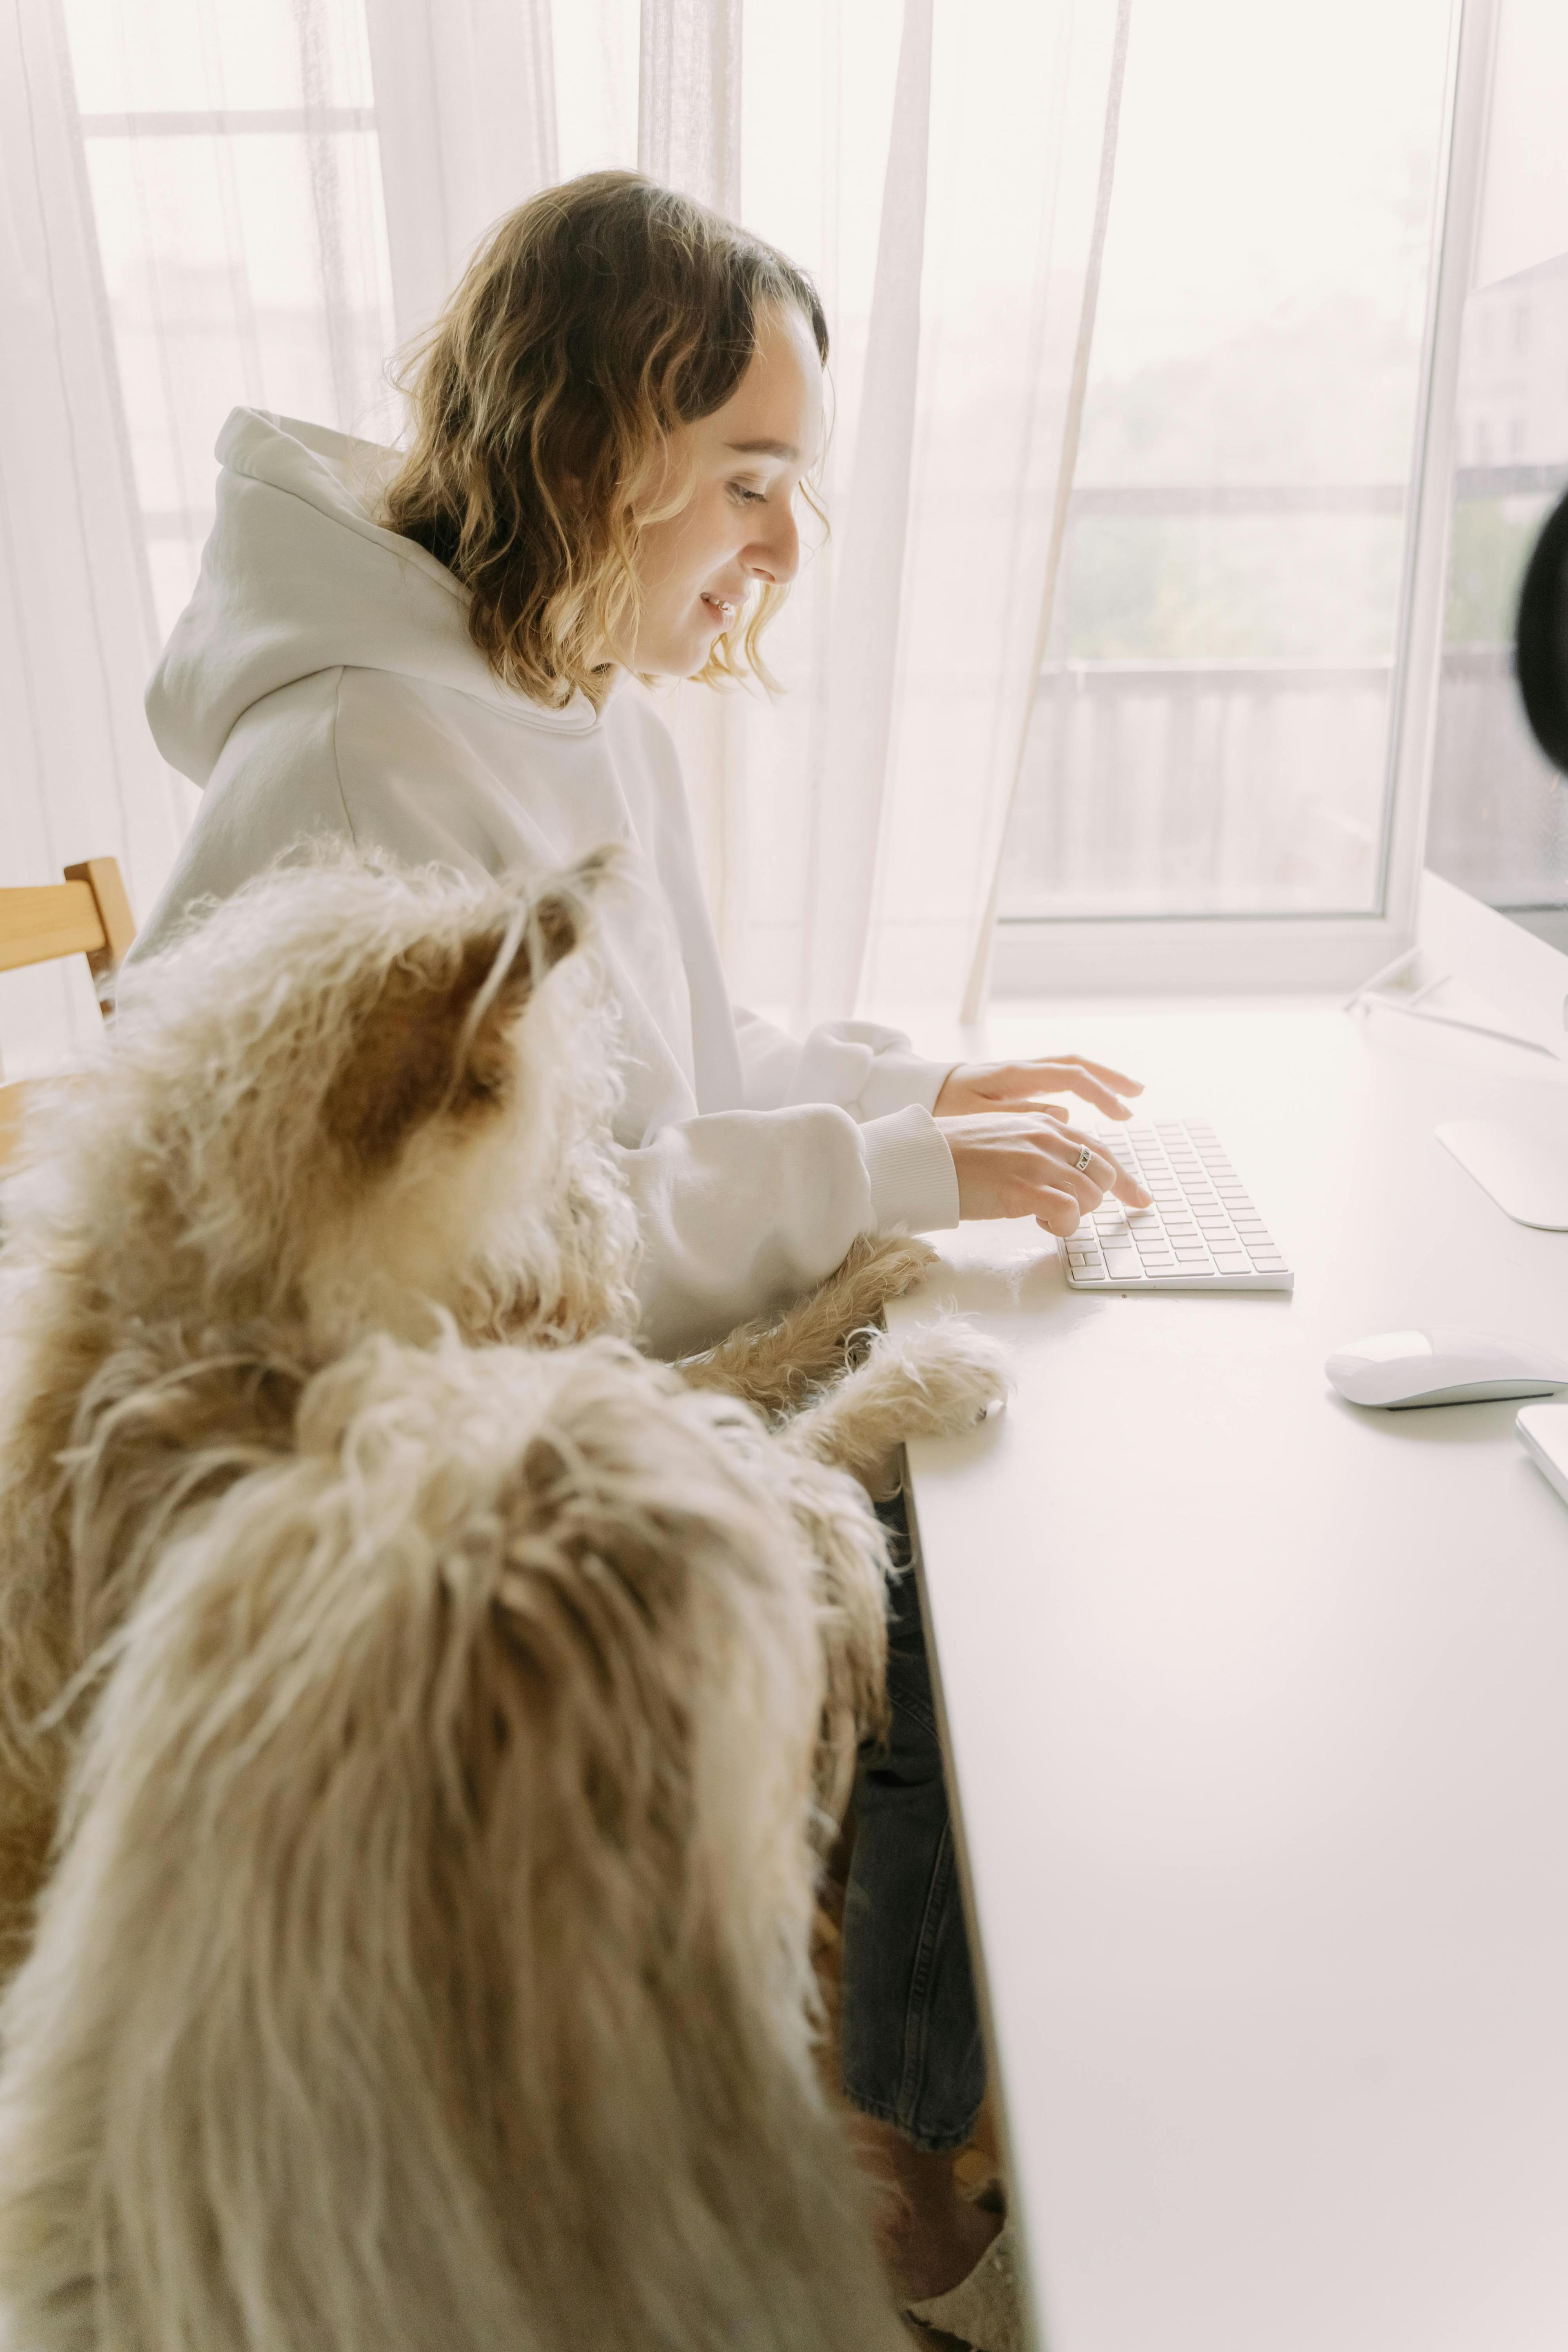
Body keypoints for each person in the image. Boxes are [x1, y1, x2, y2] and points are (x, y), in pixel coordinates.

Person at [132, 171, 1151, 2341]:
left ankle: (903, 2165)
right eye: (748, 481)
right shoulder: (360, 757)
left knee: (1009, 1524)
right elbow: (532, 1260)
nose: (783, 547)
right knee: (934, 1591)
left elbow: (688, 1077)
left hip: (541, 1366)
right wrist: (894, 1169)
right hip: (371, 1475)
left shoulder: (558, 689)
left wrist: (935, 1100)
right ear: (592, 443)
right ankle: (876, 2212)